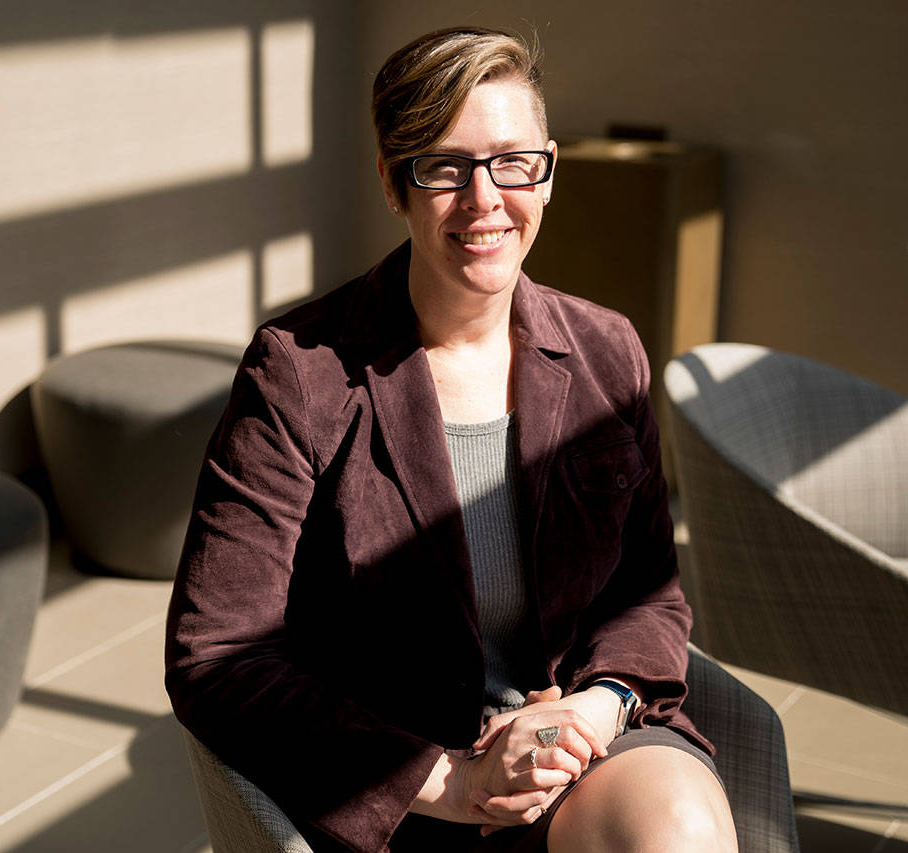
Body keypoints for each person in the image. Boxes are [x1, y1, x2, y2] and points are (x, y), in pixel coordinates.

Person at [166, 26, 737, 853]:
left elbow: (649, 593)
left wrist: (595, 706)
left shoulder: (607, 349)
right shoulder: (299, 372)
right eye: (443, 167)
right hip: (410, 788)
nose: (483, 199)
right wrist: (452, 780)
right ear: (393, 183)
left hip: (578, 746)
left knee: (678, 826)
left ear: (547, 171)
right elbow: (214, 653)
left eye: (513, 162)